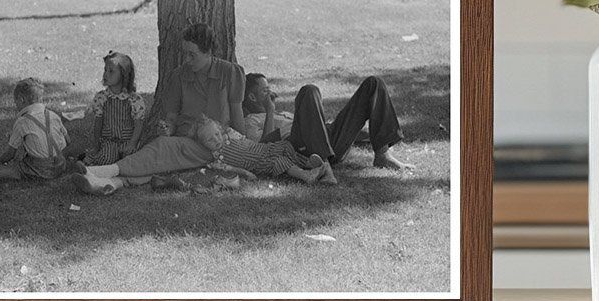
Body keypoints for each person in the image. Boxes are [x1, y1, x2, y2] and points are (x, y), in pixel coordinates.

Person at [72, 22, 245, 195]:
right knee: (163, 161)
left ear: (208, 52)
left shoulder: (230, 72)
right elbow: (171, 119)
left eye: (192, 55)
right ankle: (110, 183)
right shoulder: (178, 76)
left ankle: (100, 172)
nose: (187, 60)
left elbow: (237, 116)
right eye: (185, 54)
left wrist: (244, 147)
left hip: (216, 144)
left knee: (163, 149)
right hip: (186, 141)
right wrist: (167, 128)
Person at [243, 72, 412, 171]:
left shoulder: (284, 113)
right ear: (251, 97)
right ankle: (322, 165)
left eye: (269, 89)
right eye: (265, 91)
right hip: (302, 151)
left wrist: (360, 134)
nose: (271, 94)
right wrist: (270, 110)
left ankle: (382, 155)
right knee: (309, 91)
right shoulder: (250, 120)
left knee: (373, 84)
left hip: (327, 143)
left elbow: (314, 125)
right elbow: (261, 149)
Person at [194, 115, 337, 186]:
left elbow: (245, 140)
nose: (216, 140)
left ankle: (308, 164)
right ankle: (305, 175)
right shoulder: (217, 158)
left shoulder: (229, 135)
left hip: (262, 149)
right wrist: (246, 173)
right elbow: (233, 169)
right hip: (257, 162)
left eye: (217, 134)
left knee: (285, 146)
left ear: (220, 130)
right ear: (203, 144)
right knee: (278, 161)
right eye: (210, 140)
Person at [0, 77, 68, 181]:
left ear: (21, 99)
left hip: (38, 169)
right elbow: (68, 141)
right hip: (60, 165)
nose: (15, 105)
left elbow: (10, 154)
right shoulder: (53, 115)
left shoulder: (22, 121)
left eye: (15, 102)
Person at [83, 51, 146, 165]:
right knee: (107, 158)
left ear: (124, 75)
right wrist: (96, 144)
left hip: (128, 142)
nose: (106, 74)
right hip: (109, 142)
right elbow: (98, 123)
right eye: (105, 70)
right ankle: (90, 166)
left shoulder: (134, 99)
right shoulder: (102, 97)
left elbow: (138, 124)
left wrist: (132, 143)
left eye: (111, 71)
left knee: (131, 161)